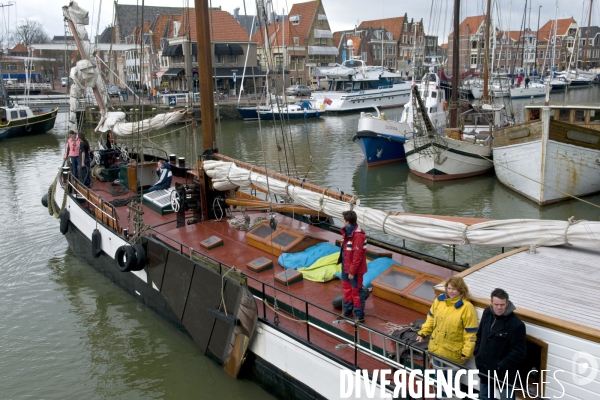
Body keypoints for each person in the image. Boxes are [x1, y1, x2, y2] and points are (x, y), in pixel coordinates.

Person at [416, 276, 479, 398]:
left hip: (453, 354)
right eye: (449, 288)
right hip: (436, 349)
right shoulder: (439, 301)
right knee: (438, 381)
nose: (450, 291)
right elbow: (431, 319)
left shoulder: (466, 307)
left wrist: (466, 352)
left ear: (461, 290)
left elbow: (470, 333)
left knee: (450, 384)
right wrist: (423, 333)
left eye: (454, 289)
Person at [475, 288, 526, 400]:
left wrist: (499, 366)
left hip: (504, 374)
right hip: (484, 369)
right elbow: (480, 335)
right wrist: (478, 354)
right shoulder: (487, 312)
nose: (499, 307)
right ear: (491, 302)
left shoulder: (516, 324)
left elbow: (519, 353)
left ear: (507, 303)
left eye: (502, 305)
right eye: (496, 304)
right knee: (485, 397)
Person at [337, 210, 367, 323]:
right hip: (346, 266)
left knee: (356, 291)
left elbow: (357, 256)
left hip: (354, 269)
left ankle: (359, 315)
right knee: (347, 289)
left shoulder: (358, 236)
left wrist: (352, 271)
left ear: (348, 222)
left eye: (344, 220)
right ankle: (347, 310)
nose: (343, 221)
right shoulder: (347, 233)